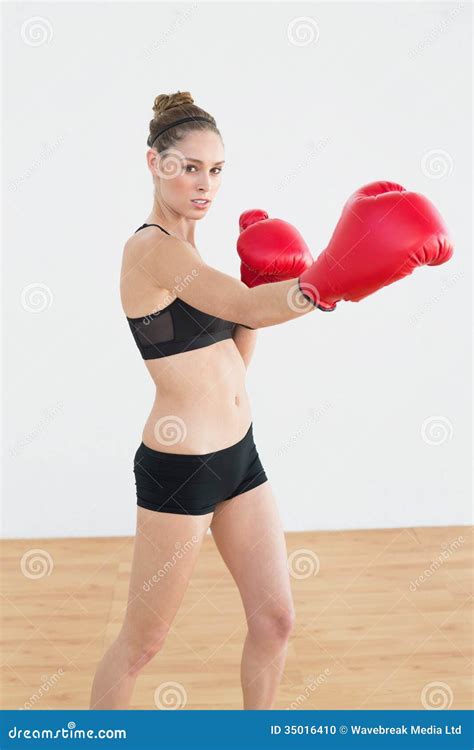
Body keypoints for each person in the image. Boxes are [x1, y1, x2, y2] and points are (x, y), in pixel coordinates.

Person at [89, 91, 452, 710]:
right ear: (154, 163)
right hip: (182, 468)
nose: (206, 184)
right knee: (143, 644)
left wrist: (265, 288)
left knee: (275, 622)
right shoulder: (152, 251)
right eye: (189, 167)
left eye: (216, 169)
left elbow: (234, 359)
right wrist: (324, 283)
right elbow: (251, 306)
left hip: (240, 457)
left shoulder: (194, 248)